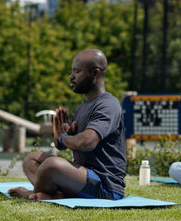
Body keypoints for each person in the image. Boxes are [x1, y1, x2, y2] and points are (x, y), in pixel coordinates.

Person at [8, 49, 126, 201]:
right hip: (81, 176)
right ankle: (52, 195)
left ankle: (31, 194)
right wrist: (60, 136)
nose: (71, 77)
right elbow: (62, 145)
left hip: (105, 186)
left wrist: (64, 137)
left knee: (52, 165)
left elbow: (86, 143)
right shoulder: (82, 108)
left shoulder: (108, 105)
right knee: (31, 159)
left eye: (77, 71)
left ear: (95, 74)